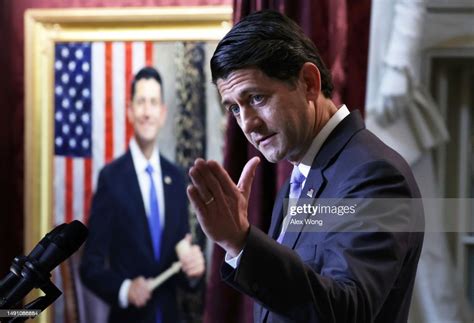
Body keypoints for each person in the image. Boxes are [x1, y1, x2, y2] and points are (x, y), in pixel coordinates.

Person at [187, 10, 424, 323]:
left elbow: (347, 310)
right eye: (234, 108)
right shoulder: (301, 176)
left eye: (256, 98)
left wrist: (241, 241)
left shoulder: (375, 175)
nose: (249, 124)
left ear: (309, 83)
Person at [80, 66, 205, 323]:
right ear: (130, 111)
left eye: (153, 103)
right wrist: (125, 289)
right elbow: (89, 266)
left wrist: (193, 271)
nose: (147, 112)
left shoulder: (177, 177)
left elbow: (179, 263)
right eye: (141, 102)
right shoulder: (111, 178)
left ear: (162, 113)